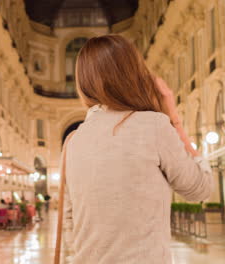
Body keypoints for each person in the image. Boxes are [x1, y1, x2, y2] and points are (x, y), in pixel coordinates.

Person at [61, 35, 213, 264]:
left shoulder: (73, 142)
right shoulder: (153, 125)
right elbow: (200, 188)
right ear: (133, 74)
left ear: (83, 83)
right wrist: (174, 120)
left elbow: (69, 221)